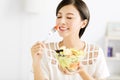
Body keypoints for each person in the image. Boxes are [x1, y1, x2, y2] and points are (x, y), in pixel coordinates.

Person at [31, 0, 110, 80]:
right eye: (59, 16)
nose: (61, 21)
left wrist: (81, 72)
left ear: (83, 23)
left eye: (69, 17)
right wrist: (36, 62)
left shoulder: (95, 53)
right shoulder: (46, 50)